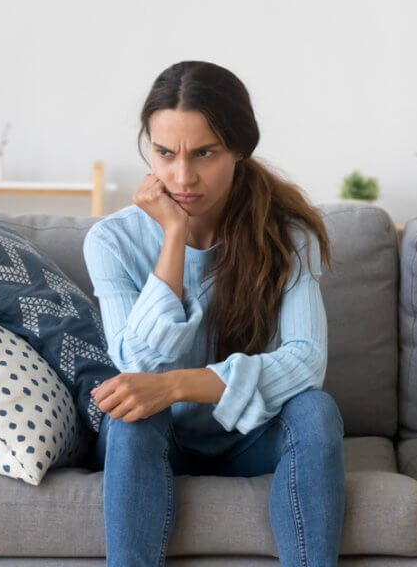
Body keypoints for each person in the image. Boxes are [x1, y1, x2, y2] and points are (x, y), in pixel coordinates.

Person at [82, 60, 345, 566]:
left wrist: (178, 385)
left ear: (239, 150)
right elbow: (138, 367)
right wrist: (174, 238)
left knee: (316, 411)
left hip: (250, 433)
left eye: (205, 153)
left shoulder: (288, 236)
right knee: (133, 416)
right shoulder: (111, 241)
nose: (183, 177)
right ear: (149, 151)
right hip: (156, 435)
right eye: (164, 154)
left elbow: (306, 361)